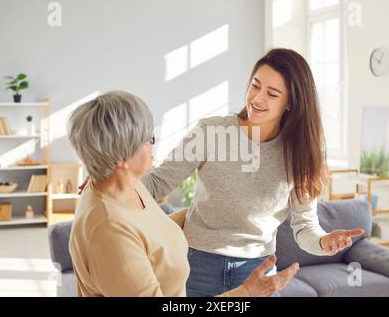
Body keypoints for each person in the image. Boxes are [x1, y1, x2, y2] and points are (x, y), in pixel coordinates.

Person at [139, 49, 365, 297]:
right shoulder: (210, 132)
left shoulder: (300, 153)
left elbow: (304, 226)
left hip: (258, 269)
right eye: (255, 86)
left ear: (290, 102)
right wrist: (108, 185)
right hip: (198, 264)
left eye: (272, 94)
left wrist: (323, 242)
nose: (257, 98)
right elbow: (158, 182)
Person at [68, 91, 299, 297]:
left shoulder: (129, 185)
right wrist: (247, 293)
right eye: (149, 140)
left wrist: (215, 213)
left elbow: (148, 234)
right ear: (122, 159)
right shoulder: (108, 231)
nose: (153, 146)